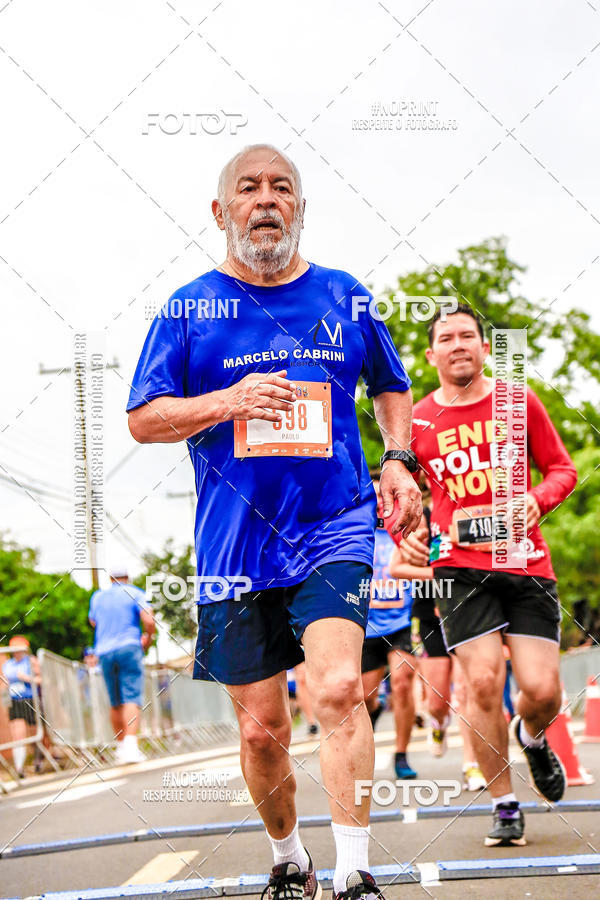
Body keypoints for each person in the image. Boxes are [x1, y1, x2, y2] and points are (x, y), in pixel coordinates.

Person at [127, 144, 422, 899]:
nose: (266, 201)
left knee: (335, 689)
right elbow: (143, 418)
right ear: (221, 212)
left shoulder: (345, 296)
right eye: (249, 189)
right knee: (262, 730)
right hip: (236, 546)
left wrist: (397, 458)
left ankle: (355, 871)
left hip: (336, 525)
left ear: (299, 208)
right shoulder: (189, 308)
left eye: (281, 188)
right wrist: (228, 401)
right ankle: (289, 855)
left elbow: (391, 383)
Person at [403, 303, 577, 846]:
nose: (458, 344)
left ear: (483, 348)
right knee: (480, 681)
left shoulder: (517, 402)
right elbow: (394, 497)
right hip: (457, 567)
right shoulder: (416, 423)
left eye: (468, 336)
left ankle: (532, 733)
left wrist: (536, 498)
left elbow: (563, 470)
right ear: (431, 355)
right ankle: (504, 803)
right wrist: (400, 532)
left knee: (543, 689)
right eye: (447, 338)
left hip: (525, 562)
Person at [396, 506, 486, 792]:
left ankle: (471, 765)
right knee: (437, 702)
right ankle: (438, 723)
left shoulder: (468, 514)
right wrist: (438, 576)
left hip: (464, 612)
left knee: (465, 692)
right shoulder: (420, 518)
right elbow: (395, 568)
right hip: (428, 616)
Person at [361, 471, 418, 780]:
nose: (379, 505)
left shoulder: (405, 531)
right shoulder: (356, 536)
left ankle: (401, 754)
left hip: (401, 622)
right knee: (364, 697)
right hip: (366, 628)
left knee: (403, 681)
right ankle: (373, 712)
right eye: (373, 499)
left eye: (384, 498)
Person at [89, 566, 156, 764]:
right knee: (131, 696)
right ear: (127, 577)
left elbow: (93, 622)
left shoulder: (98, 597)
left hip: (104, 650)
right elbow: (149, 620)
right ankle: (130, 747)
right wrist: (148, 637)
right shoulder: (135, 592)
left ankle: (120, 748)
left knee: (115, 700)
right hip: (129, 647)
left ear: (110, 578)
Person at [2, 636, 40, 777]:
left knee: (35, 732)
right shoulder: (8, 664)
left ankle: (38, 759)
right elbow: (5, 683)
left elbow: (41, 679)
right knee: (19, 734)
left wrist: (26, 678)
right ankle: (19, 768)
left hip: (31, 700)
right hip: (15, 701)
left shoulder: (31, 661)